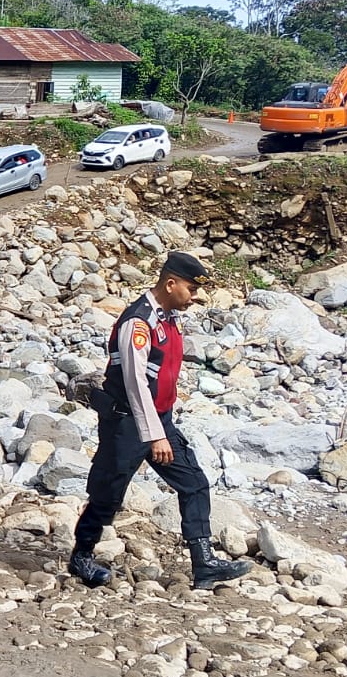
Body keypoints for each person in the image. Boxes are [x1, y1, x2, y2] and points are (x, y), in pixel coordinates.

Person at [68, 251, 251, 592]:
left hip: (159, 419)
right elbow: (135, 384)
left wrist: (163, 423)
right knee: (108, 493)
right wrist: (155, 436)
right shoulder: (138, 323)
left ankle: (204, 563)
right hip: (126, 423)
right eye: (191, 289)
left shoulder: (168, 318)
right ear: (170, 284)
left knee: (194, 482)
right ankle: (82, 555)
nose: (194, 297)